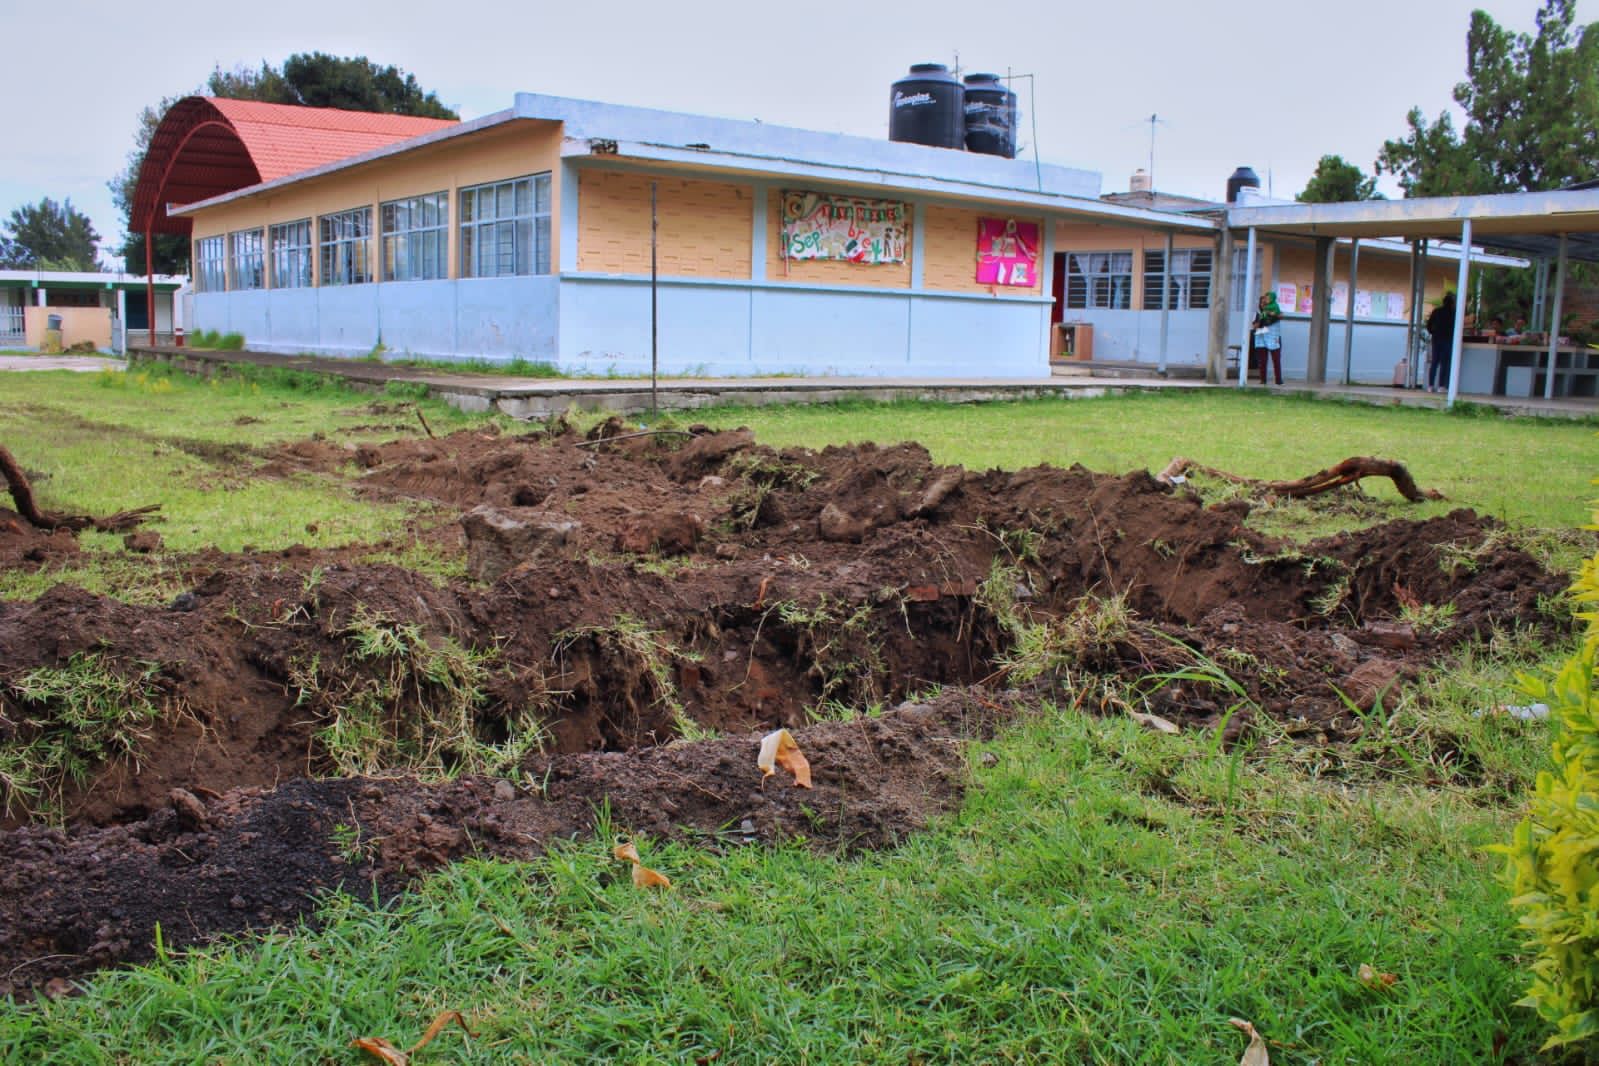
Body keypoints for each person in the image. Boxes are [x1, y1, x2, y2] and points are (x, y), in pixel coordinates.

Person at [1426, 291, 1457, 392]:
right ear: (1452, 303)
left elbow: (1429, 324)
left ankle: (1430, 385)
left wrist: (1433, 332)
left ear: (1443, 302)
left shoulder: (1437, 311)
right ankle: (1441, 386)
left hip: (1436, 338)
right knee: (1444, 363)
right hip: (1447, 339)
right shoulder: (1453, 313)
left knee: (1434, 362)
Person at [1251, 292, 1284, 385]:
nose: (1263, 304)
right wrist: (1260, 320)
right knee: (1262, 361)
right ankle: (1263, 380)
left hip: (1273, 338)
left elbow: (1281, 316)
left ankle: (1278, 380)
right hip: (1261, 339)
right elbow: (1254, 326)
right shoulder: (1257, 314)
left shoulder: (1275, 310)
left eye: (1265, 302)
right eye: (1262, 303)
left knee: (1276, 360)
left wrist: (1271, 314)